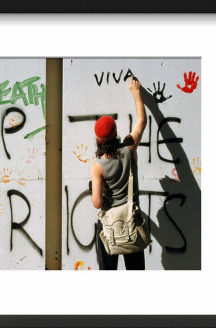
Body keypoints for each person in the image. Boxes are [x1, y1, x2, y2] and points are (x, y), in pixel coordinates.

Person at [90, 76, 147, 270]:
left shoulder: (97, 166)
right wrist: (136, 93)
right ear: (116, 133)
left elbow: (97, 202)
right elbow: (142, 121)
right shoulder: (129, 148)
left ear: (98, 139)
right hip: (132, 220)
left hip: (110, 226)